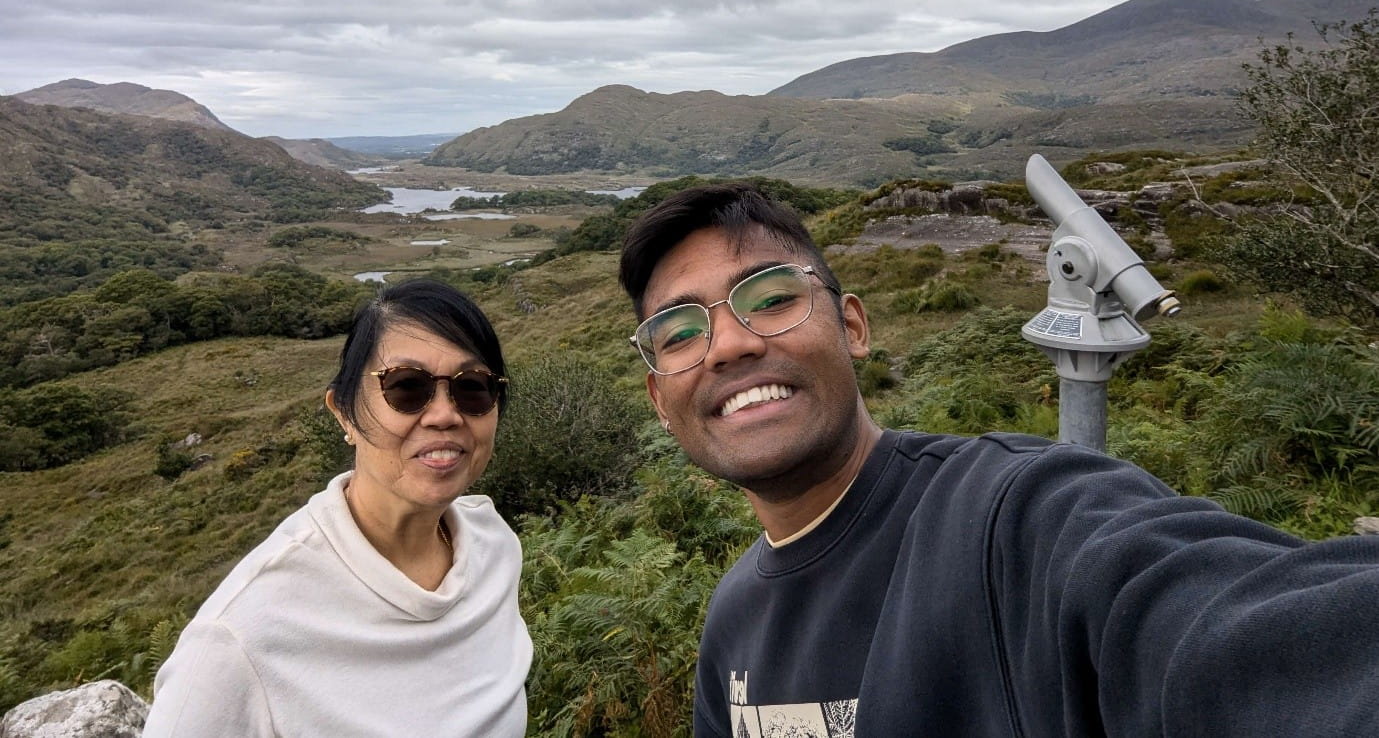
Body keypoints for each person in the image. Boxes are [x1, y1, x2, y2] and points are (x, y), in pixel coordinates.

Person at [618, 182, 1379, 738]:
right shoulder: (732, 620)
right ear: (660, 398)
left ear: (851, 325)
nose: (730, 343)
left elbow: (1234, 634)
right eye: (679, 333)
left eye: (771, 296)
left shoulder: (1020, 516)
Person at [143, 279, 531, 737]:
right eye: (407, 387)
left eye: (473, 388)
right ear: (344, 412)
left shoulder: (492, 544)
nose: (445, 414)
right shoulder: (241, 636)